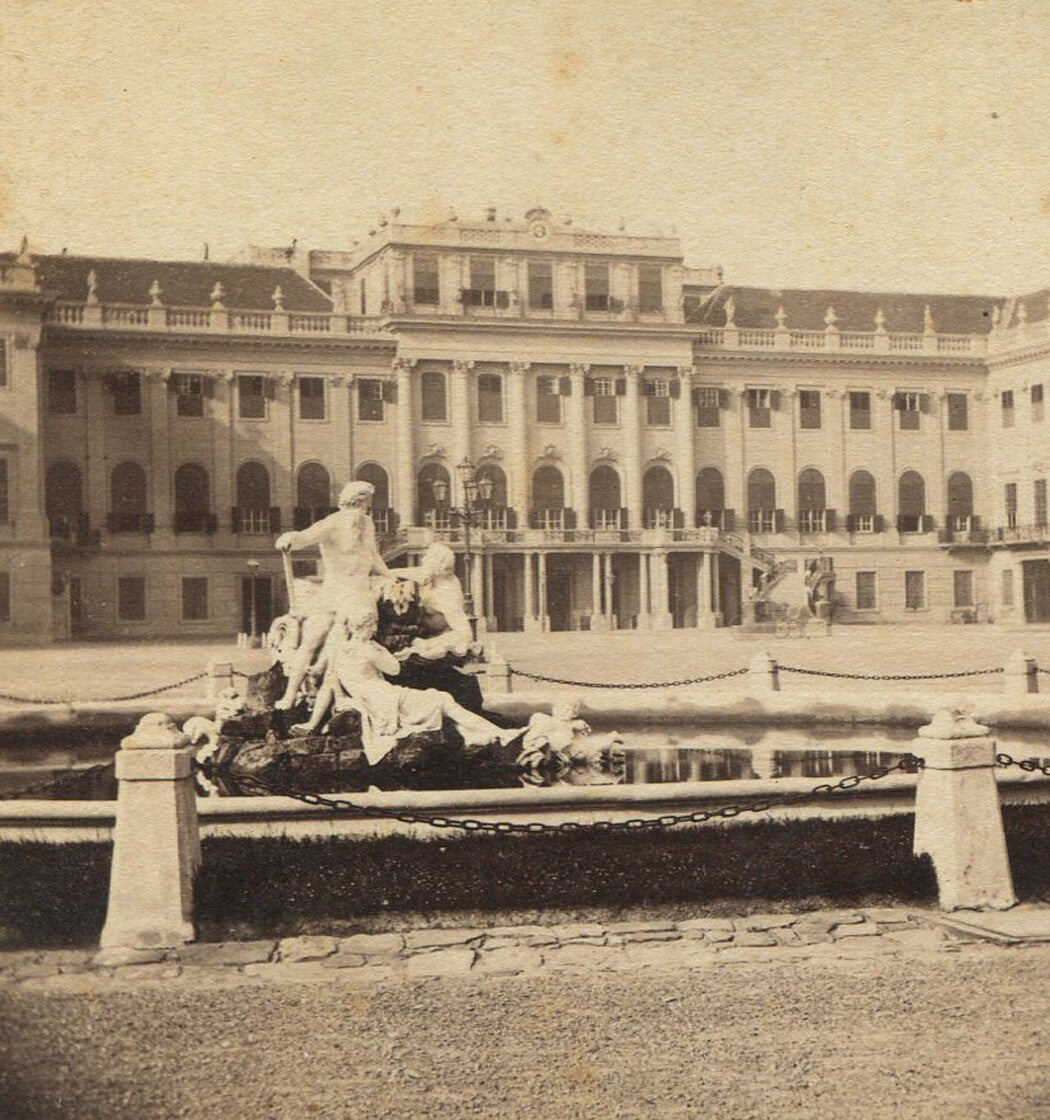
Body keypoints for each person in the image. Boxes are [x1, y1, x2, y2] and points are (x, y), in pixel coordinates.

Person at [290, 607, 522, 765]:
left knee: (442, 703)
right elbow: (395, 669)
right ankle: (495, 734)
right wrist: (384, 650)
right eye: (373, 625)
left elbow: (330, 684)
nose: (375, 628)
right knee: (442, 699)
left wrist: (321, 716)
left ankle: (489, 735)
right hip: (386, 700)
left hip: (373, 700)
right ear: (366, 626)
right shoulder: (370, 649)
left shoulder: (339, 652)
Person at [272, 480, 392, 710]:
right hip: (334, 591)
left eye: (366, 504)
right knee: (311, 640)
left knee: (349, 645)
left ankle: (341, 696)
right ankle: (289, 695)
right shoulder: (332, 523)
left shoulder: (367, 524)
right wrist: (288, 538)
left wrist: (388, 576)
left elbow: (374, 555)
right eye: (365, 503)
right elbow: (305, 537)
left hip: (359, 594)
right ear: (355, 501)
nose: (365, 509)